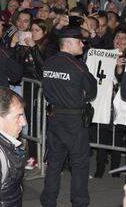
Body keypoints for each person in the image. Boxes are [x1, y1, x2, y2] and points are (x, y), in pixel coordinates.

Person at [40, 26, 97, 207]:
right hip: (74, 122)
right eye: (80, 42)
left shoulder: (48, 63)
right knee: (79, 164)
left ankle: (48, 200)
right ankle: (79, 202)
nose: (82, 45)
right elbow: (91, 91)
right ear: (69, 43)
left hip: (54, 118)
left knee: (55, 162)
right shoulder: (78, 66)